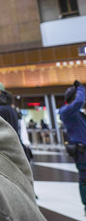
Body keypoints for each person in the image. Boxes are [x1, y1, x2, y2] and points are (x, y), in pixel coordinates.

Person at [59, 80, 86, 216]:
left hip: (82, 151)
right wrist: (80, 89)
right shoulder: (66, 112)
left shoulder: (76, 113)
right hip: (82, 153)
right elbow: (79, 102)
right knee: (85, 180)